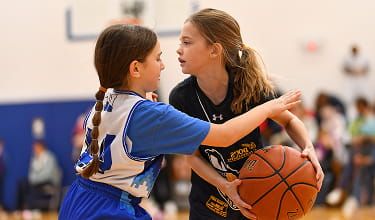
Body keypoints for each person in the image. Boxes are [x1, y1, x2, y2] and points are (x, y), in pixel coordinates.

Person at [58, 24, 302, 220]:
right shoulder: (152, 114)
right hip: (111, 209)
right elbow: (225, 135)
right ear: (135, 69)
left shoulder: (105, 102)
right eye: (157, 58)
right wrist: (269, 107)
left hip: (78, 199)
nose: (163, 64)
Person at [169, 8, 324, 219]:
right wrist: (224, 185)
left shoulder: (248, 86)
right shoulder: (181, 97)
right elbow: (192, 157)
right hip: (208, 204)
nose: (179, 50)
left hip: (256, 201)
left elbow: (289, 120)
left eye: (187, 42)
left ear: (214, 50)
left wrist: (308, 148)